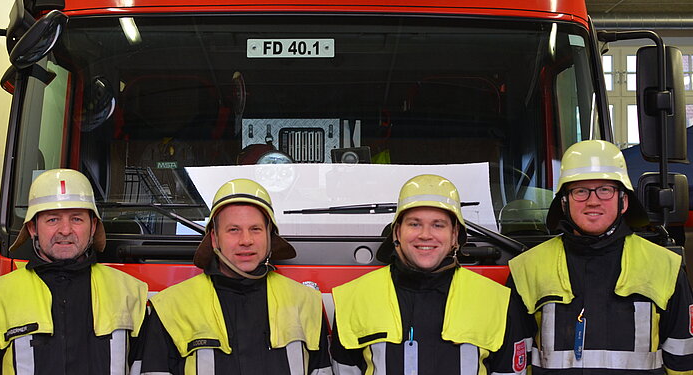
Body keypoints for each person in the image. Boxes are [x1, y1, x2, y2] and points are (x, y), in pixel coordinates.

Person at [508, 140, 693, 374]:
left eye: (605, 190)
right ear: (564, 202)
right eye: (580, 191)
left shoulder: (665, 266)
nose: (593, 200)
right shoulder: (527, 268)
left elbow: (683, 361)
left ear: (624, 201)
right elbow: (512, 363)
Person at [331, 174, 533, 374]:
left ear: (455, 235)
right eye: (414, 224)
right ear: (397, 232)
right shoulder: (353, 299)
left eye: (438, 225)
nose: (425, 234)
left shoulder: (498, 301)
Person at [0, 168, 148, 374]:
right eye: (53, 219)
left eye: (77, 219)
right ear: (33, 228)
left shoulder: (130, 293)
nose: (65, 230)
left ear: (93, 226)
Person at [137, 178, 332, 374]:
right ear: (214, 238)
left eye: (255, 229)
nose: (246, 240)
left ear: (269, 236)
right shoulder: (171, 307)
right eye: (233, 230)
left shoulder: (307, 303)